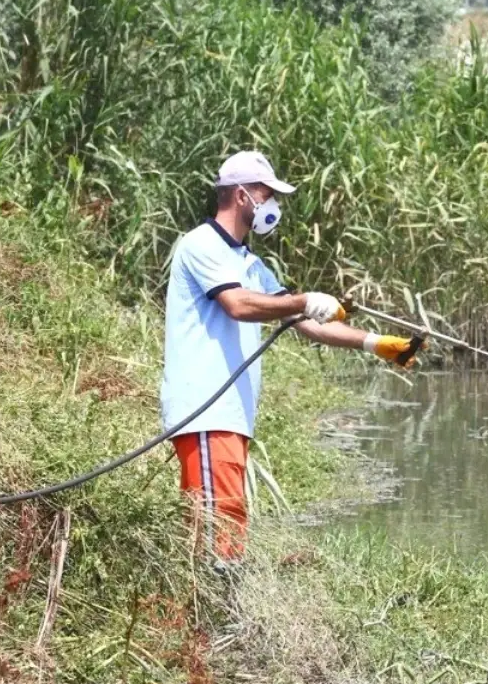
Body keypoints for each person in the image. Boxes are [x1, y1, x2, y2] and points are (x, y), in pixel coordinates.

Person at [160, 150, 420, 565]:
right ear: (242, 195)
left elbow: (307, 321)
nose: (273, 205)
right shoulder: (200, 244)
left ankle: (205, 615)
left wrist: (376, 343)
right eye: (268, 194)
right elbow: (238, 305)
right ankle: (205, 616)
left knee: (223, 521)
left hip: (230, 414)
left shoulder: (249, 263)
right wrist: (305, 299)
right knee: (217, 525)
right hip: (205, 409)